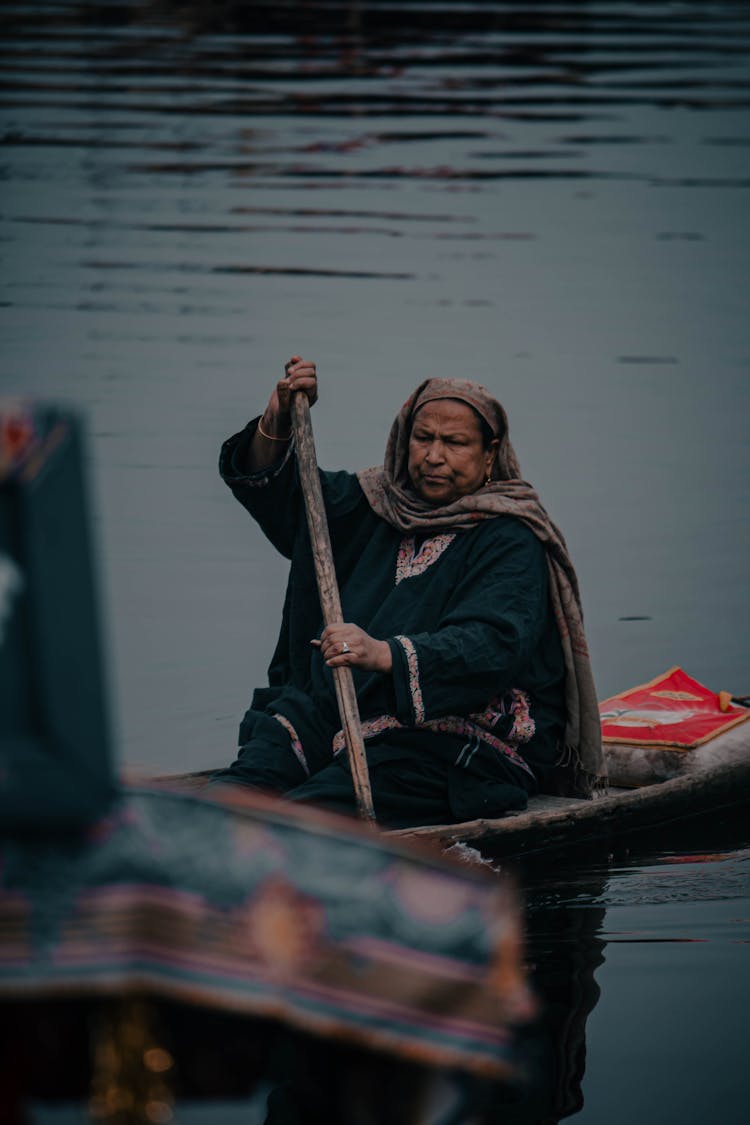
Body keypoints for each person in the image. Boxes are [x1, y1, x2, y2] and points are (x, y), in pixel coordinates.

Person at [211, 356, 604, 827]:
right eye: (424, 438)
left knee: (313, 814)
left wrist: (383, 654)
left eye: (455, 443)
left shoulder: (510, 537)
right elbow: (288, 503)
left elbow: (492, 643)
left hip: (451, 737)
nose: (434, 457)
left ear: (489, 452)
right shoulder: (371, 503)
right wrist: (277, 419)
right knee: (236, 794)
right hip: (335, 713)